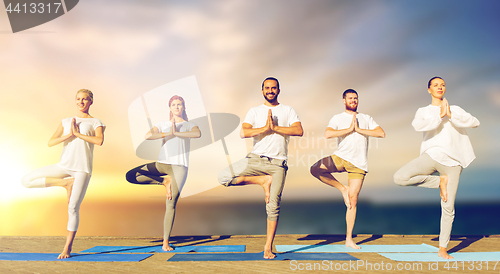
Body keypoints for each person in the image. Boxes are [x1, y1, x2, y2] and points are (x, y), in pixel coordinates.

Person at [393, 77, 479, 259]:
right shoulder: (423, 111)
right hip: (431, 156)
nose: (440, 87)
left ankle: (442, 248)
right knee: (400, 177)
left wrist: (450, 115)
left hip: (453, 164)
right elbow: (418, 126)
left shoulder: (454, 109)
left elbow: (474, 122)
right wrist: (440, 116)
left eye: (442, 85)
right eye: (435, 85)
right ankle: (439, 181)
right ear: (429, 90)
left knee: (448, 207)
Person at [218, 77, 303, 259]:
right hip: (255, 159)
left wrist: (276, 127)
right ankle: (262, 181)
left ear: (278, 90)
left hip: (278, 164)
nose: (270, 90)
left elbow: (298, 130)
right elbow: (244, 132)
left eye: (273, 88)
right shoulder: (255, 111)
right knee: (224, 177)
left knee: (273, 206)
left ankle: (267, 247)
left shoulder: (288, 110)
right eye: (267, 88)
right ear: (262, 90)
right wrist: (265, 127)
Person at [21, 89, 105, 259]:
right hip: (64, 165)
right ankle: (65, 183)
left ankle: (67, 248)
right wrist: (68, 134)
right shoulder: (66, 121)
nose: (81, 102)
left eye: (85, 99)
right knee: (26, 180)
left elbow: (99, 141)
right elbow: (51, 142)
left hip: (82, 169)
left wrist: (78, 134)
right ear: (75, 101)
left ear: (91, 102)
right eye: (78, 99)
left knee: (73, 207)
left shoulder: (96, 122)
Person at [310, 89, 385, 249]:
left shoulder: (366, 118)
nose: (353, 100)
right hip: (341, 157)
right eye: (350, 98)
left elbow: (381, 133)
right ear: (344, 100)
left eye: (355, 98)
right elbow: (328, 134)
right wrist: (349, 130)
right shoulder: (338, 118)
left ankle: (349, 239)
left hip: (359, 163)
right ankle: (342, 188)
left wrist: (359, 130)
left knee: (352, 201)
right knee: (315, 169)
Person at [126, 95, 201, 251]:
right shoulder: (162, 124)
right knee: (131, 175)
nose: (177, 107)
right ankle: (164, 181)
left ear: (184, 107)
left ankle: (165, 242)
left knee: (170, 204)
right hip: (162, 165)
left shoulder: (189, 125)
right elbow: (148, 135)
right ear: (170, 107)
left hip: (180, 167)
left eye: (179, 104)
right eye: (174, 104)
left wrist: (177, 133)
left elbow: (197, 134)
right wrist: (168, 133)